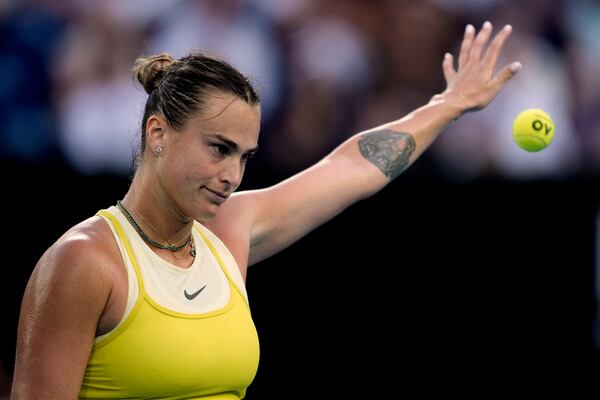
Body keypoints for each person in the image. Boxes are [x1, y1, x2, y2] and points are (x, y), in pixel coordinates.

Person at [11, 21, 520, 399]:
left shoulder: (228, 230)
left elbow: (352, 168)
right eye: (218, 148)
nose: (233, 175)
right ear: (158, 133)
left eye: (244, 156)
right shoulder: (83, 262)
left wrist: (448, 105)